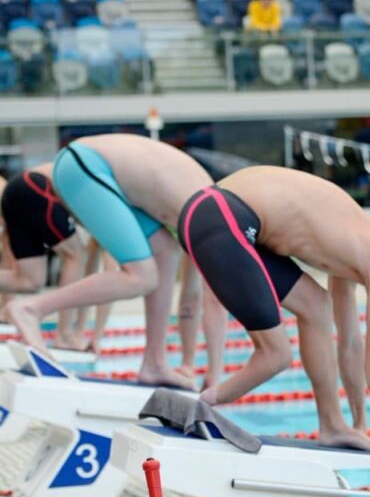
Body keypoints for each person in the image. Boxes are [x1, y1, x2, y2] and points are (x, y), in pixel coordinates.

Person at [177, 166, 370, 460]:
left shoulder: (355, 245)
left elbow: (351, 346)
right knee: (275, 356)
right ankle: (200, 405)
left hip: (214, 211)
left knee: (317, 307)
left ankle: (333, 425)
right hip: (222, 219)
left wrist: (360, 423)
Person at [6, 135, 227, 390]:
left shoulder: (204, 214)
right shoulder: (214, 224)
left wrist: (194, 365)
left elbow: (193, 295)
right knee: (141, 276)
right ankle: (32, 309)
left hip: (98, 167)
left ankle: (154, 362)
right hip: (86, 164)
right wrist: (216, 379)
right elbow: (214, 303)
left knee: (165, 250)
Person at [0, 164, 89, 350]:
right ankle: (64, 335)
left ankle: (66, 334)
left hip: (19, 189)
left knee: (29, 281)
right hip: (32, 187)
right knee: (75, 254)